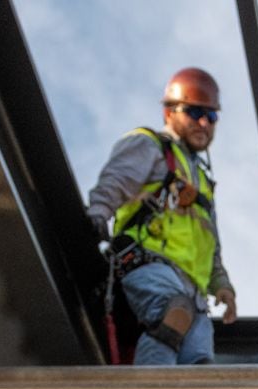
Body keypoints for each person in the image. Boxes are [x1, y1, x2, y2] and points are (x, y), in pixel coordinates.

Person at [86, 67, 238, 365]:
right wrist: (97, 215)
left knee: (199, 361)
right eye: (195, 112)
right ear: (170, 113)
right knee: (173, 314)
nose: (205, 122)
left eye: (212, 116)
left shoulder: (203, 185)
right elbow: (117, 181)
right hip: (148, 263)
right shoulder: (150, 145)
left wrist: (222, 286)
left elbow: (211, 248)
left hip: (193, 290)